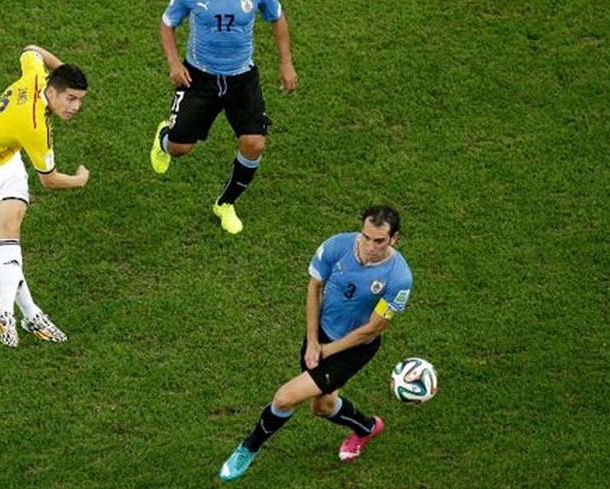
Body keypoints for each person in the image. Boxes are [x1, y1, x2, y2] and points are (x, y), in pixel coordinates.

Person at [218, 205, 413, 481]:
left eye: (379, 241)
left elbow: (372, 329)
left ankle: (248, 448)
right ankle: (367, 428)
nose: (370, 246)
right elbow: (314, 287)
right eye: (366, 237)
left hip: (353, 350)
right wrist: (313, 341)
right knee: (321, 407)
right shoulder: (337, 246)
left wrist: (327, 350)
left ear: (394, 239)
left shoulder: (399, 278)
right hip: (320, 335)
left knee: (284, 398)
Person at [0, 45, 90, 348]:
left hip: (6, 158)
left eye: (79, 99)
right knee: (1, 248)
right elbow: (50, 180)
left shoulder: (36, 78)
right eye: (71, 98)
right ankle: (29, 314)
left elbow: (31, 50)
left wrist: (65, 71)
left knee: (10, 236)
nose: (76, 107)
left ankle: (4, 315)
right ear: (53, 93)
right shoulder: (35, 127)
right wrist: (79, 180)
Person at [149, 0, 297, 235]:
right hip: (198, 79)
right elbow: (168, 24)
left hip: (242, 79)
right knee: (179, 148)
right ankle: (164, 139)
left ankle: (225, 203)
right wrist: (174, 63)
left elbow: (277, 17)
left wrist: (286, 63)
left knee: (255, 143)